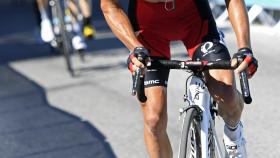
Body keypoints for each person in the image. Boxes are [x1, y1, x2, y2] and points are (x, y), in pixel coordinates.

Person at [101, 0, 258, 157]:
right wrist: (134, 47)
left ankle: (234, 136)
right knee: (153, 119)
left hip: (195, 22)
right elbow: (109, 5)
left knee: (227, 95)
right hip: (148, 31)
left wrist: (244, 47)